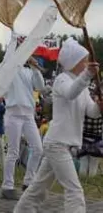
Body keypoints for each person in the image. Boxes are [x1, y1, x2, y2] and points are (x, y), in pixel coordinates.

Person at [14, 37, 103, 213]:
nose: (86, 64)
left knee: (38, 187)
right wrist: (88, 75)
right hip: (57, 143)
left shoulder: (83, 85)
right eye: (83, 61)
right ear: (73, 63)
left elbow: (90, 112)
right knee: (74, 189)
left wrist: (99, 107)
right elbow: (70, 93)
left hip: (64, 144)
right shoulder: (62, 79)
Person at [1, 33, 45, 200]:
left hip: (28, 115)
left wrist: (35, 67)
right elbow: (8, 56)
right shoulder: (9, 68)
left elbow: (40, 87)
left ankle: (28, 181)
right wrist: (13, 38)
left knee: (38, 149)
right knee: (13, 151)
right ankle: (7, 186)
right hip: (13, 113)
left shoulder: (28, 72)